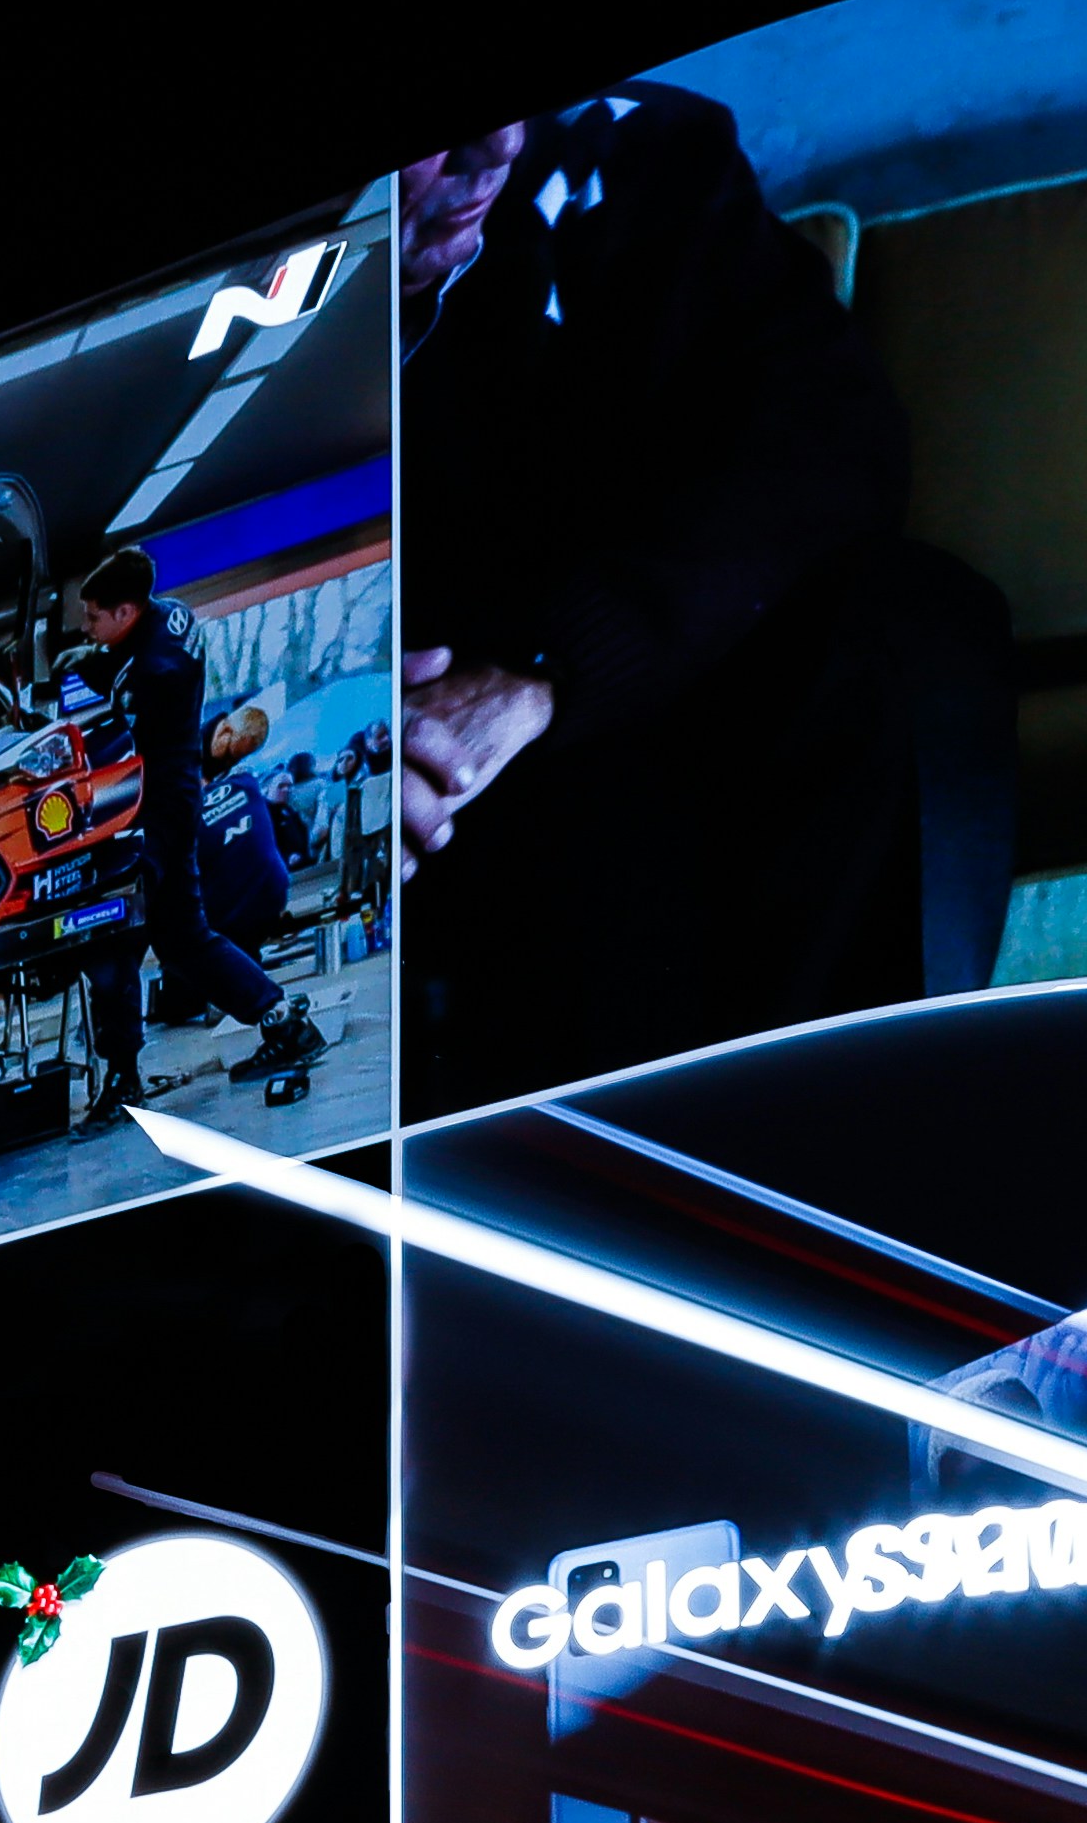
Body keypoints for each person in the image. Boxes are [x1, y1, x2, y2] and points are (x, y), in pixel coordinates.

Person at [387, 89, 1008, 1114]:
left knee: (913, 620)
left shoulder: (633, 150)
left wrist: (546, 675)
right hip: (402, 808)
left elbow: (829, 447)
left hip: (627, 721)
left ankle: (848, 1141)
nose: (493, 146)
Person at [58, 552, 327, 1127]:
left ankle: (123, 1080)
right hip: (172, 795)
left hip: (153, 804)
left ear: (126, 612)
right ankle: (284, 1022)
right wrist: (93, 655)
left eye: (94, 617)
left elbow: (115, 708)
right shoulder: (170, 615)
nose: (86, 627)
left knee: (115, 936)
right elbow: (120, 656)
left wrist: (88, 668)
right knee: (182, 938)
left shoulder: (152, 672)